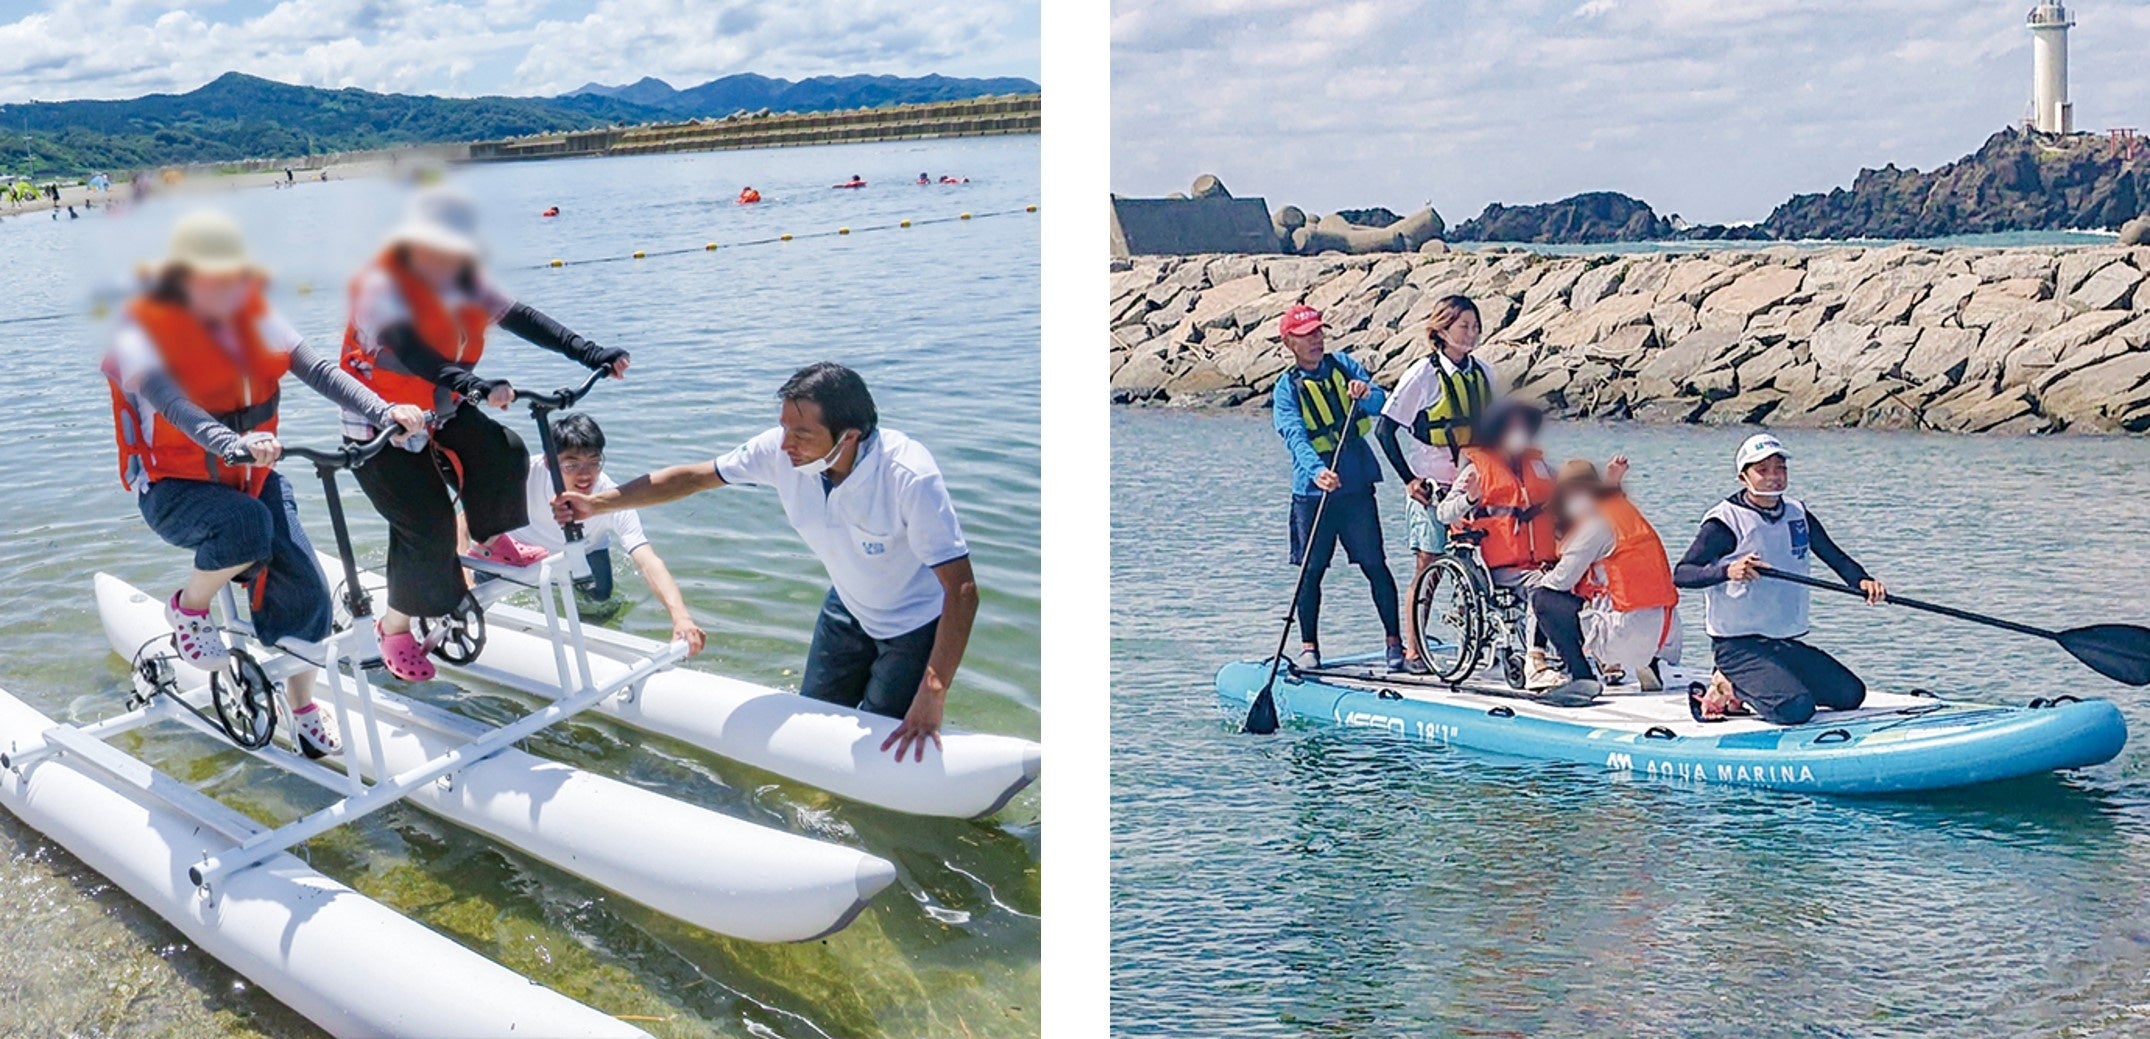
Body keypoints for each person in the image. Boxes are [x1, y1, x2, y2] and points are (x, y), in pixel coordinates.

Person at [102, 210, 428, 756]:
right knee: (247, 527)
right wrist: (230, 443)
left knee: (310, 589)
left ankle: (301, 707)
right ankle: (188, 605)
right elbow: (172, 404)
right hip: (173, 490)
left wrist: (385, 409)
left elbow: (320, 370)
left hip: (248, 478)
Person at [553, 363, 977, 762]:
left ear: (848, 437)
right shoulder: (781, 451)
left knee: (886, 740)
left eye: (803, 434)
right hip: (847, 609)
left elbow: (961, 590)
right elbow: (693, 477)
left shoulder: (908, 475)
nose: (786, 443)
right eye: (784, 428)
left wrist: (933, 690)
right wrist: (597, 504)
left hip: (912, 627)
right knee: (812, 726)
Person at [338, 186, 629, 682]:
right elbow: (414, 353)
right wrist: (474, 384)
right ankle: (394, 626)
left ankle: (491, 539)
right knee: (425, 524)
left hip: (440, 411)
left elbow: (524, 318)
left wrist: (590, 352)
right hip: (379, 424)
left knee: (505, 450)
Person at [1673, 433, 1884, 724]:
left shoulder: (1797, 512)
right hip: (1738, 647)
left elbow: (1833, 555)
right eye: (1763, 470)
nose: (1774, 477)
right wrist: (1727, 571)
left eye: (1780, 468)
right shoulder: (1724, 521)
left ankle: (1769, 682)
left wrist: (1862, 581)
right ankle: (1726, 684)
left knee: (1850, 695)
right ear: (1743, 477)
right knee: (1796, 710)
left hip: (1783, 642)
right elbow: (1682, 574)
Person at [503, 412, 705, 654]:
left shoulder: (610, 496)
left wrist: (680, 617)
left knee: (600, 599)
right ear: (549, 462)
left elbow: (647, 559)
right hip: (520, 546)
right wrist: (464, 574)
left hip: (586, 549)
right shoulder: (523, 474)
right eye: (571, 464)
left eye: (594, 461)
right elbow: (467, 519)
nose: (585, 474)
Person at [1270, 304, 1403, 672]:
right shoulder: (1286, 389)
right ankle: (1309, 647)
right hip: (1313, 493)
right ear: (1289, 342)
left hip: (1356, 485)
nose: (1315, 340)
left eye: (1318, 332)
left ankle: (1395, 644)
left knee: (1375, 564)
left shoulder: (1345, 365)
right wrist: (1316, 471)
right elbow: (1293, 435)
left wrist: (1366, 393)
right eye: (1306, 335)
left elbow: (1382, 403)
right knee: (1311, 571)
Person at [1375, 294, 1495, 673]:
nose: (1471, 334)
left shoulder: (1483, 373)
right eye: (1464, 327)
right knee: (1428, 565)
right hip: (1430, 485)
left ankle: (1480, 641)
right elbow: (1385, 429)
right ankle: (1414, 651)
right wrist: (1409, 480)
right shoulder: (1422, 375)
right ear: (1441, 330)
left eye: (1476, 327)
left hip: (1472, 484)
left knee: (1483, 562)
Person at [1435, 401, 1561, 687]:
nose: (1520, 432)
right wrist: (1469, 499)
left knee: (1577, 576)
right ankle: (1535, 663)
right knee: (1545, 586)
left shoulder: (1538, 466)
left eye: (1523, 427)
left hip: (1537, 559)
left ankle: (1599, 655)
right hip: (1494, 565)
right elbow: (1444, 512)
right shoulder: (1477, 470)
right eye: (1512, 427)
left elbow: (1566, 492)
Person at [1539, 458, 1682, 695]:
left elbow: (1560, 581)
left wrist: (1539, 579)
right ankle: (1649, 662)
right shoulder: (1626, 513)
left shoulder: (1594, 524)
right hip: (1666, 632)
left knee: (1544, 598)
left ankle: (1581, 678)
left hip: (1623, 633)